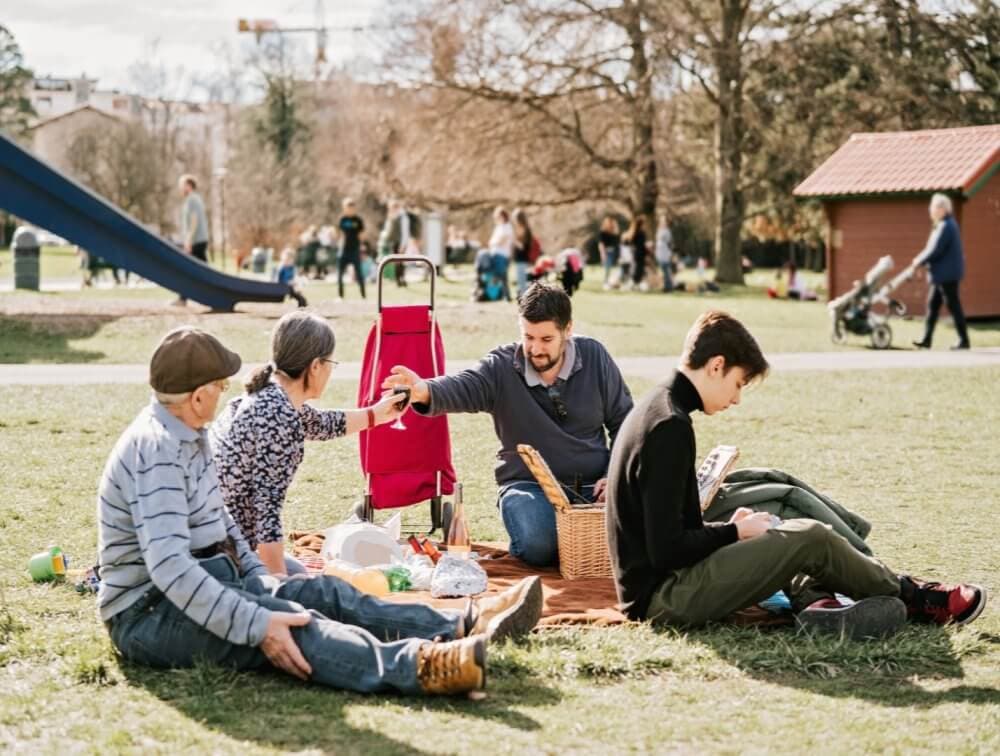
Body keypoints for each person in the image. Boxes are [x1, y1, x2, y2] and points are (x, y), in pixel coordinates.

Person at [97, 326, 543, 696]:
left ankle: (462, 621)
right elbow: (171, 569)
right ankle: (422, 667)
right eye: (218, 386)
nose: (222, 393)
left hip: (206, 577)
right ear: (197, 397)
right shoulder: (157, 451)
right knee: (296, 626)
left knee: (322, 594)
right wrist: (258, 619)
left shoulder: (187, 431)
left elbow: (224, 525)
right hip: (148, 613)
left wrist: (259, 581)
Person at [606, 310, 987, 639]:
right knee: (809, 536)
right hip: (663, 600)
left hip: (665, 584)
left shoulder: (658, 408)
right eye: (738, 384)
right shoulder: (669, 426)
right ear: (716, 365)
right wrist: (734, 533)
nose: (736, 399)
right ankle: (917, 598)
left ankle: (819, 602)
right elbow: (666, 549)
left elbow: (667, 530)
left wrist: (734, 530)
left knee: (777, 525)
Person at [383, 282, 634, 567]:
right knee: (538, 543)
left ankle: (588, 538)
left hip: (594, 486)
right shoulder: (501, 367)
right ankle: (581, 541)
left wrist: (614, 476)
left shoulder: (595, 357)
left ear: (568, 330)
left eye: (546, 339)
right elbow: (464, 385)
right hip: (528, 488)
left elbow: (625, 422)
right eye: (528, 337)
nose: (535, 349)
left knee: (645, 522)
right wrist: (424, 390)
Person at [211, 311, 403, 575]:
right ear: (315, 366)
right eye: (331, 364)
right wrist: (278, 589)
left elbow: (320, 424)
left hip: (220, 542)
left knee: (302, 573)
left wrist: (376, 415)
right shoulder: (277, 417)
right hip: (224, 557)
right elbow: (266, 515)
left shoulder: (268, 395)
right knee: (311, 586)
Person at [910, 193, 970, 350]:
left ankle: (964, 340)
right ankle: (927, 339)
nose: (931, 210)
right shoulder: (944, 224)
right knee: (932, 305)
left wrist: (918, 261)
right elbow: (932, 248)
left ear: (942, 209)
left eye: (933, 207)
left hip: (947, 274)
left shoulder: (946, 226)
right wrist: (920, 259)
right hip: (941, 274)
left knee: (953, 305)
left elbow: (935, 250)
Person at [174, 174, 209, 305]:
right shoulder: (194, 199)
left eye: (181, 185)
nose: (180, 188)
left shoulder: (192, 199)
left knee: (186, 269)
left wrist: (188, 240)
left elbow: (194, 220)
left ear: (188, 185)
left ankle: (182, 299)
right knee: (203, 270)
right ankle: (184, 298)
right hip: (199, 240)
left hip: (196, 241)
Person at [337, 199, 366, 300]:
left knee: (359, 273)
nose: (349, 210)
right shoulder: (342, 219)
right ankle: (340, 296)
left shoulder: (358, 220)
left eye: (351, 208)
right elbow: (341, 234)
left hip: (355, 250)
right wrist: (340, 246)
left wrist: (361, 247)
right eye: (347, 208)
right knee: (340, 274)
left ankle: (363, 295)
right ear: (344, 208)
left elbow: (361, 235)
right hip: (344, 250)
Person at [512, 208, 541, 298]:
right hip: (521, 259)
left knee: (522, 282)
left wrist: (514, 241)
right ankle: (524, 299)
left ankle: (525, 300)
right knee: (521, 281)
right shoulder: (525, 229)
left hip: (522, 259)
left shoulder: (523, 230)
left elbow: (522, 247)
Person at [488, 206, 514, 301]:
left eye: (498, 216)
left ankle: (505, 296)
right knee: (498, 276)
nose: (497, 219)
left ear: (503, 216)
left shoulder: (507, 227)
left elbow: (502, 240)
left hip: (502, 255)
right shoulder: (499, 227)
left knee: (501, 276)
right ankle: (499, 296)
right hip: (495, 254)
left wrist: (493, 242)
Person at [624, 216, 647, 290]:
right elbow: (641, 245)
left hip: (634, 254)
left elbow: (626, 243)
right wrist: (647, 249)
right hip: (640, 254)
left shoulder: (633, 232)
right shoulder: (641, 233)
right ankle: (630, 285)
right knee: (638, 272)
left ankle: (635, 285)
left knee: (637, 271)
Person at [598, 215, 620, 290]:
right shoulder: (602, 232)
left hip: (614, 252)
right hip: (607, 252)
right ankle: (606, 283)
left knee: (614, 268)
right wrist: (603, 254)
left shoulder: (613, 233)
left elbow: (617, 241)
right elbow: (601, 244)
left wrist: (615, 227)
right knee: (608, 268)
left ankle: (612, 283)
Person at [654, 213, 674, 293]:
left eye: (664, 221)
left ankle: (668, 286)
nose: (662, 222)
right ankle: (667, 285)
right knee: (664, 270)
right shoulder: (659, 230)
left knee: (665, 270)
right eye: (661, 220)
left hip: (665, 252)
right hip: (659, 252)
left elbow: (669, 242)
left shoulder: (667, 231)